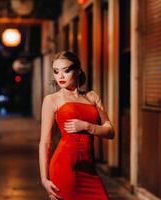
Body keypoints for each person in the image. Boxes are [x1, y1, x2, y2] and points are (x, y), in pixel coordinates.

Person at [39, 51, 115, 200]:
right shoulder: (52, 100)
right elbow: (45, 142)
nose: (60, 76)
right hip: (64, 166)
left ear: (78, 71)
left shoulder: (92, 96)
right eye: (56, 71)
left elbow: (110, 131)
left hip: (89, 167)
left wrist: (88, 126)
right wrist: (44, 179)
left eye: (66, 71)